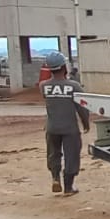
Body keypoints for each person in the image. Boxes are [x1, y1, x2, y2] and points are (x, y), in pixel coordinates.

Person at [40, 52, 90, 196]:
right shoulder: (74, 86)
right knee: (71, 155)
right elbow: (82, 107)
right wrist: (85, 123)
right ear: (64, 67)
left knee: (53, 154)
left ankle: (55, 178)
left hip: (51, 127)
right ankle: (68, 187)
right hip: (70, 128)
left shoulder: (44, 86)